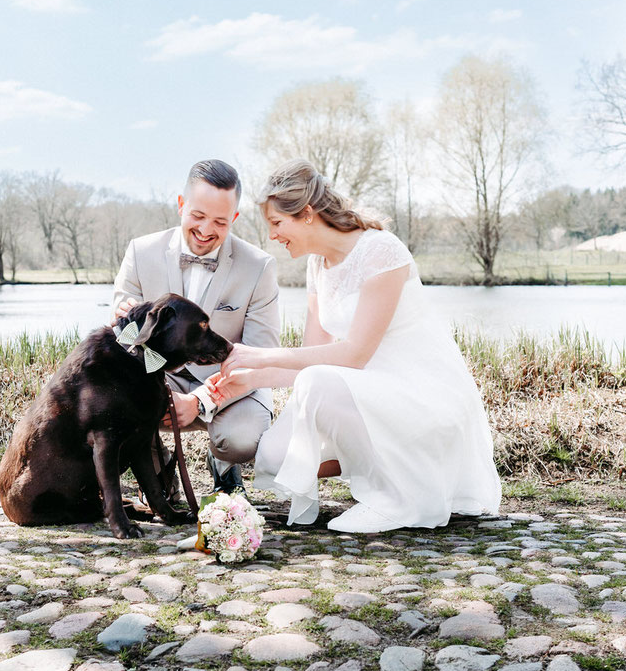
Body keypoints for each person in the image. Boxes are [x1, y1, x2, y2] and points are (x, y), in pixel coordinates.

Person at [207, 160, 501, 533]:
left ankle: (398, 498)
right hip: (367, 394)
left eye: (277, 224)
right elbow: (311, 357)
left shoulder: (380, 251)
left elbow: (354, 354)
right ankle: (389, 467)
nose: (273, 237)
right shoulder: (318, 267)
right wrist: (252, 378)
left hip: (420, 394)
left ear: (307, 214)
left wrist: (259, 354)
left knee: (317, 386)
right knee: (274, 457)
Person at [112, 159, 279, 496]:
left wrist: (199, 401)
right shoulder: (140, 251)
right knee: (120, 398)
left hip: (230, 381)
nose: (206, 230)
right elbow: (122, 339)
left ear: (233, 218)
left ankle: (222, 461)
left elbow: (262, 356)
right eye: (198, 216)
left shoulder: (260, 267)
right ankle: (157, 473)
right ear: (180, 205)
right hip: (159, 372)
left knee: (240, 439)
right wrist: (125, 321)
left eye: (219, 221)